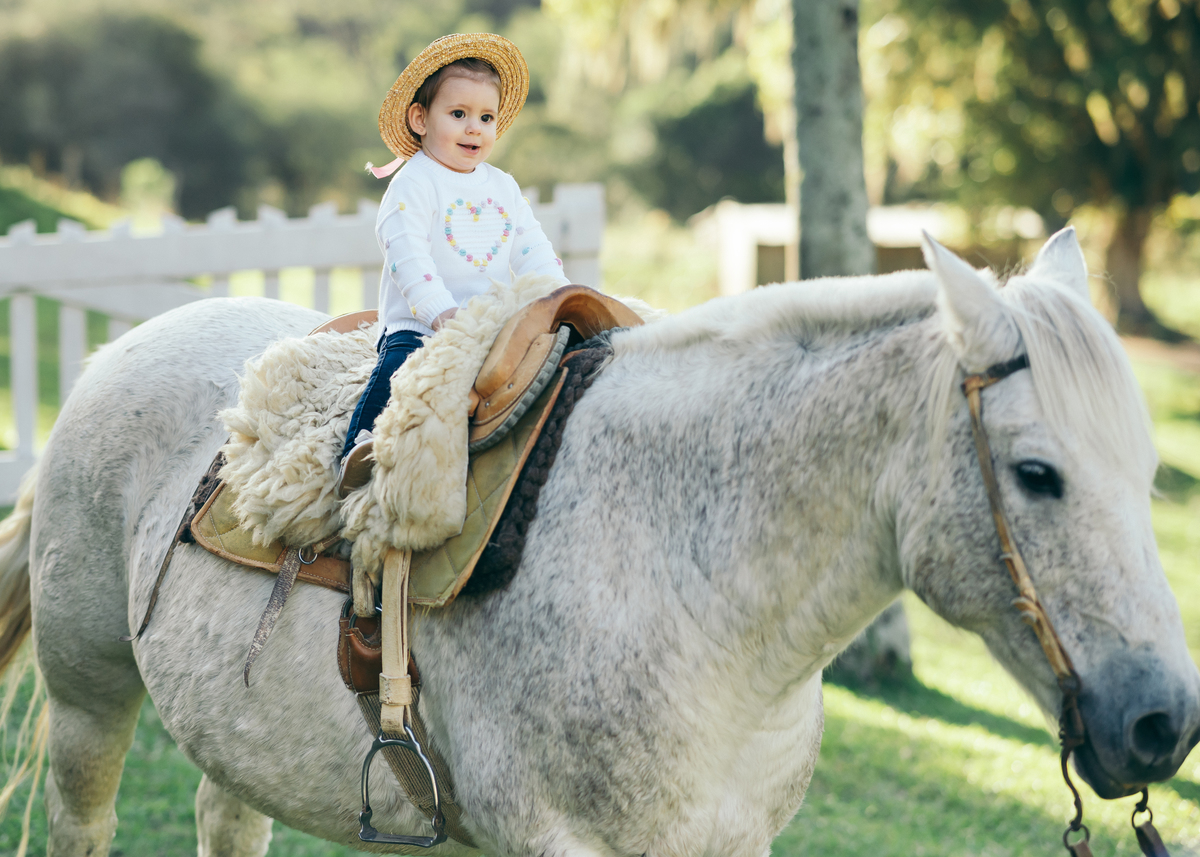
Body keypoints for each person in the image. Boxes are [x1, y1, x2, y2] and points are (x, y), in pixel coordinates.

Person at [337, 33, 570, 496]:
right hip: (424, 323)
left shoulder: (501, 186)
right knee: (401, 368)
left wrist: (557, 293)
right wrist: (439, 312)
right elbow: (408, 256)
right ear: (420, 119)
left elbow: (530, 246)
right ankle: (359, 445)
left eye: (486, 117)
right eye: (458, 114)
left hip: (492, 324)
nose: (474, 129)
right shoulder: (415, 183)